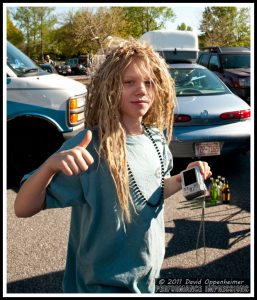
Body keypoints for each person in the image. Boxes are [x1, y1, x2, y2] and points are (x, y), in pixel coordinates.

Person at [14, 38, 212, 293]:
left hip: (146, 281)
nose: (141, 89)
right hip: (99, 286)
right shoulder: (90, 147)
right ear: (109, 87)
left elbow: (154, 191)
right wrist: (50, 166)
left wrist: (186, 177)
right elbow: (22, 208)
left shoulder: (156, 139)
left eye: (148, 82)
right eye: (129, 82)